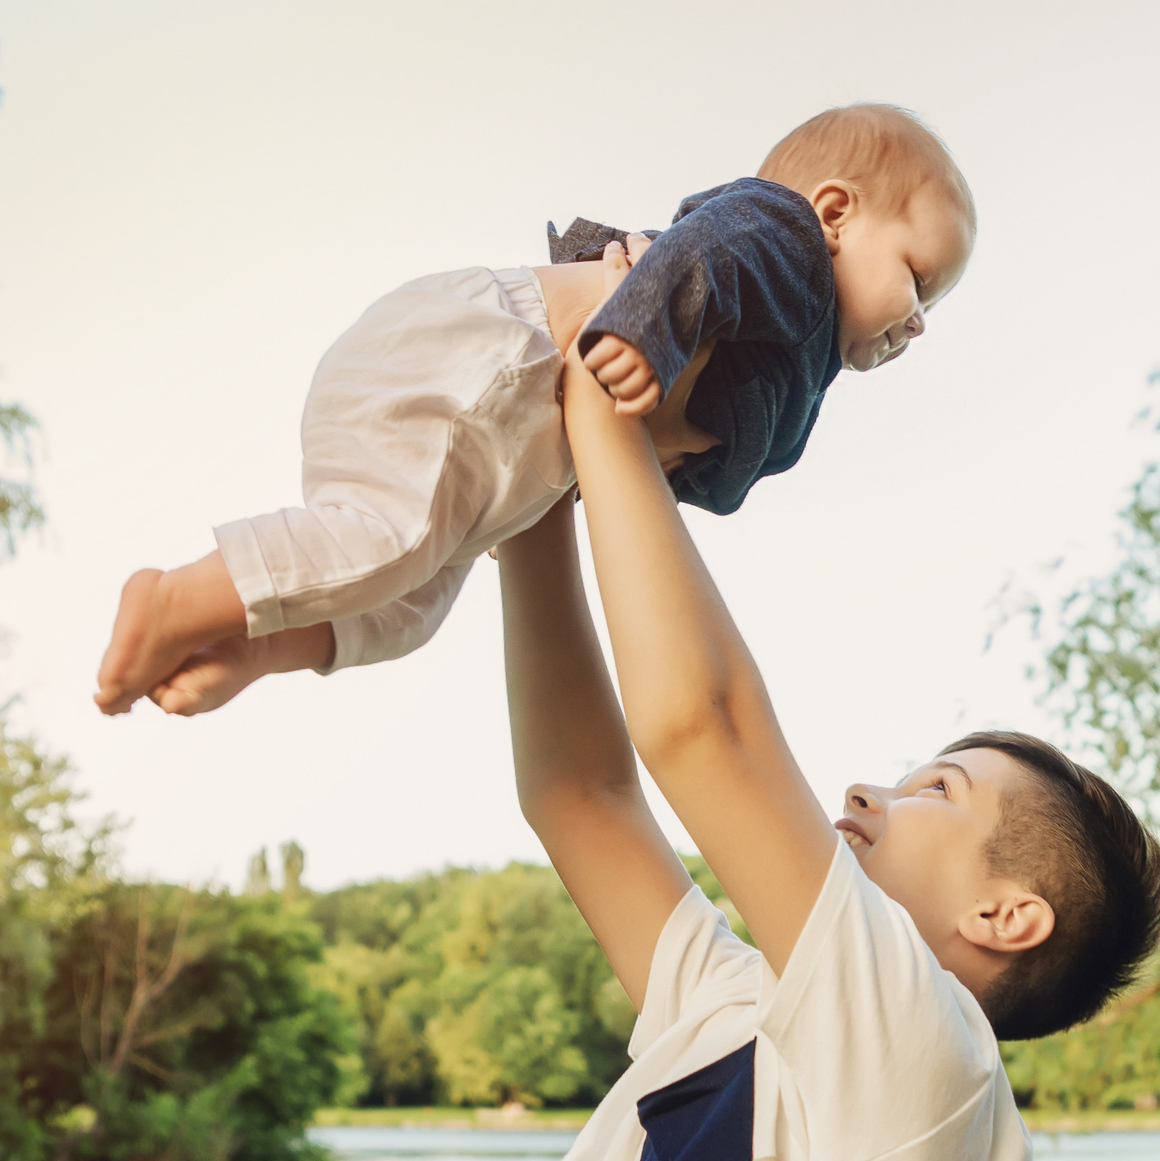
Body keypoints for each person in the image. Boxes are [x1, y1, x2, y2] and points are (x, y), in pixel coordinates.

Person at [478, 241, 1160, 1161]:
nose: (869, 788)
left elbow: (703, 730)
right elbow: (586, 798)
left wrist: (612, 411)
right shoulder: (739, 1003)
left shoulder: (929, 1065)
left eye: (936, 790)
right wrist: (533, 474)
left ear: (1010, 917)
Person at [90, 103, 974, 717]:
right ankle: (173, 597)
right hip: (488, 353)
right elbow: (708, 252)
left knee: (407, 608)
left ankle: (256, 634)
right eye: (920, 277)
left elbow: (708, 471)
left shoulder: (795, 369)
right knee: (386, 540)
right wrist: (645, 334)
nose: (923, 321)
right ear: (834, 212)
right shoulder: (785, 246)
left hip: (503, 437)